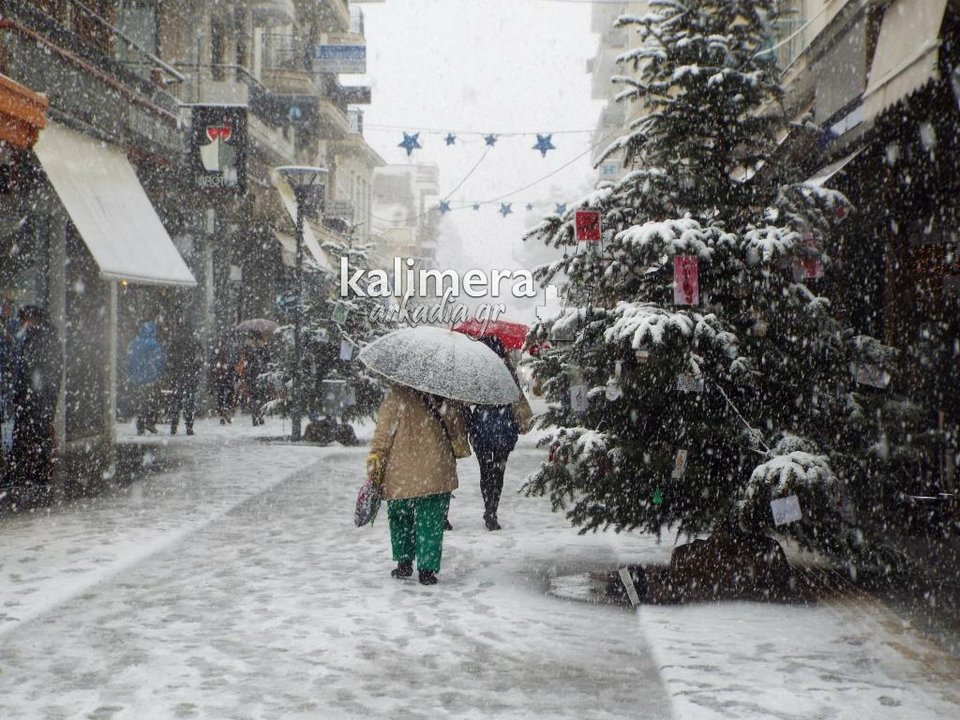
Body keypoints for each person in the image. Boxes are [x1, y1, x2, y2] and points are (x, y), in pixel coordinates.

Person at [367, 383, 470, 585]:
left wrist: (376, 460)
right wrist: (444, 407)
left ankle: (404, 562)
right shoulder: (442, 393)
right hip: (435, 468)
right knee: (430, 521)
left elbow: (383, 435)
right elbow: (457, 430)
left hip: (401, 470)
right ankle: (427, 570)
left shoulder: (395, 395)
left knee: (400, 517)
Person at [466, 337, 534, 531]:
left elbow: (470, 399)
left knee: (485, 470)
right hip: (504, 427)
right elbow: (516, 397)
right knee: (498, 471)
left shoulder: (478, 371)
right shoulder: (508, 370)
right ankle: (492, 510)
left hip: (482, 428)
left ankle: (488, 505)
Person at [9, 305, 62, 501]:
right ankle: (31, 475)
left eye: (26, 320)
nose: (24, 324)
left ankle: (34, 476)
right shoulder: (38, 338)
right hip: (34, 399)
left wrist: (34, 395)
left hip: (36, 399)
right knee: (32, 436)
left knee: (33, 436)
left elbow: (41, 373)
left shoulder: (41, 340)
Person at [127, 322, 166, 435]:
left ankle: (140, 425)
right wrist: (160, 373)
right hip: (150, 377)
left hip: (137, 378)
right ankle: (150, 422)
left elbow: (129, 360)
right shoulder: (153, 344)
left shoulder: (133, 343)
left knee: (140, 401)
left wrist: (131, 374)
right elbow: (159, 360)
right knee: (153, 401)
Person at [168, 323, 204, 435]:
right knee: (190, 401)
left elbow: (170, 358)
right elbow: (200, 358)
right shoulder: (194, 341)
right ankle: (189, 426)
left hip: (178, 375)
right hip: (190, 375)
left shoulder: (174, 342)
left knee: (176, 400)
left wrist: (173, 371)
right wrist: (195, 368)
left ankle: (174, 424)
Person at [210, 342, 235, 425]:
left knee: (222, 396)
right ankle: (224, 412)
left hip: (222, 377)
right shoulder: (227, 351)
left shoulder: (219, 352)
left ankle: (222, 414)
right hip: (224, 377)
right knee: (225, 395)